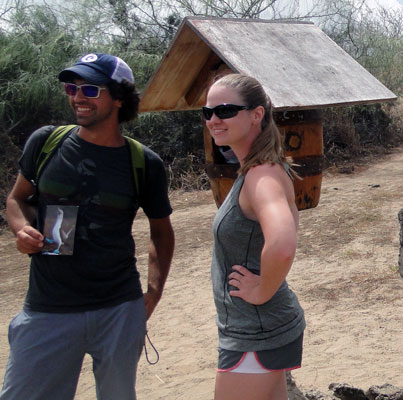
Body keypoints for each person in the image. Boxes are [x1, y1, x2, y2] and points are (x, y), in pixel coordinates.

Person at [1, 53, 175, 400]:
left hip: (118, 310)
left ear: (119, 97)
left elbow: (162, 232)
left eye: (90, 89)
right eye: (72, 87)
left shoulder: (143, 163)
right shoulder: (46, 142)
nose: (77, 97)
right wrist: (21, 229)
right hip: (47, 309)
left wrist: (153, 293)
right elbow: (16, 198)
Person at [204, 74, 305, 400]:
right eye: (207, 113)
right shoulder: (260, 169)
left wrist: (262, 290)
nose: (214, 120)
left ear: (256, 114)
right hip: (260, 328)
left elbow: (282, 244)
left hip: (256, 332)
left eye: (225, 110)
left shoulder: (262, 176)